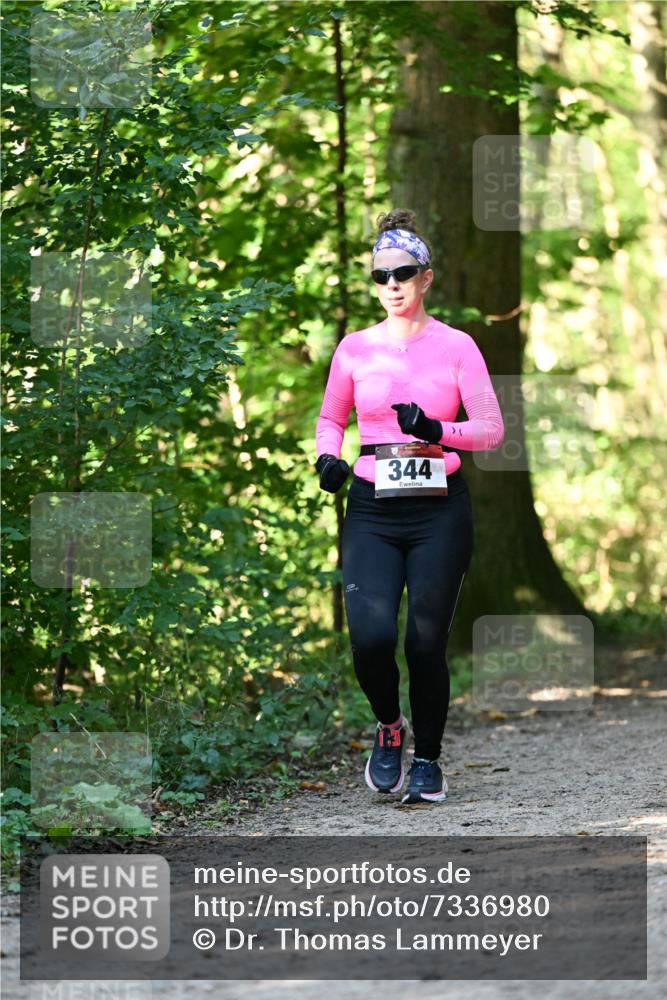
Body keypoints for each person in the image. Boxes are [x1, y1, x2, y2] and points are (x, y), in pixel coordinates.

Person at [314, 208, 504, 804]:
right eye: (379, 275)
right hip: (371, 507)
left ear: (426, 278)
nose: (390, 284)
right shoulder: (353, 349)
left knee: (424, 643)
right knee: (370, 637)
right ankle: (390, 728)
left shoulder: (457, 346)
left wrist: (437, 428)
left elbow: (493, 430)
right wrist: (327, 459)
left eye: (402, 273)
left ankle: (428, 759)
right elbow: (330, 419)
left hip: (439, 511)